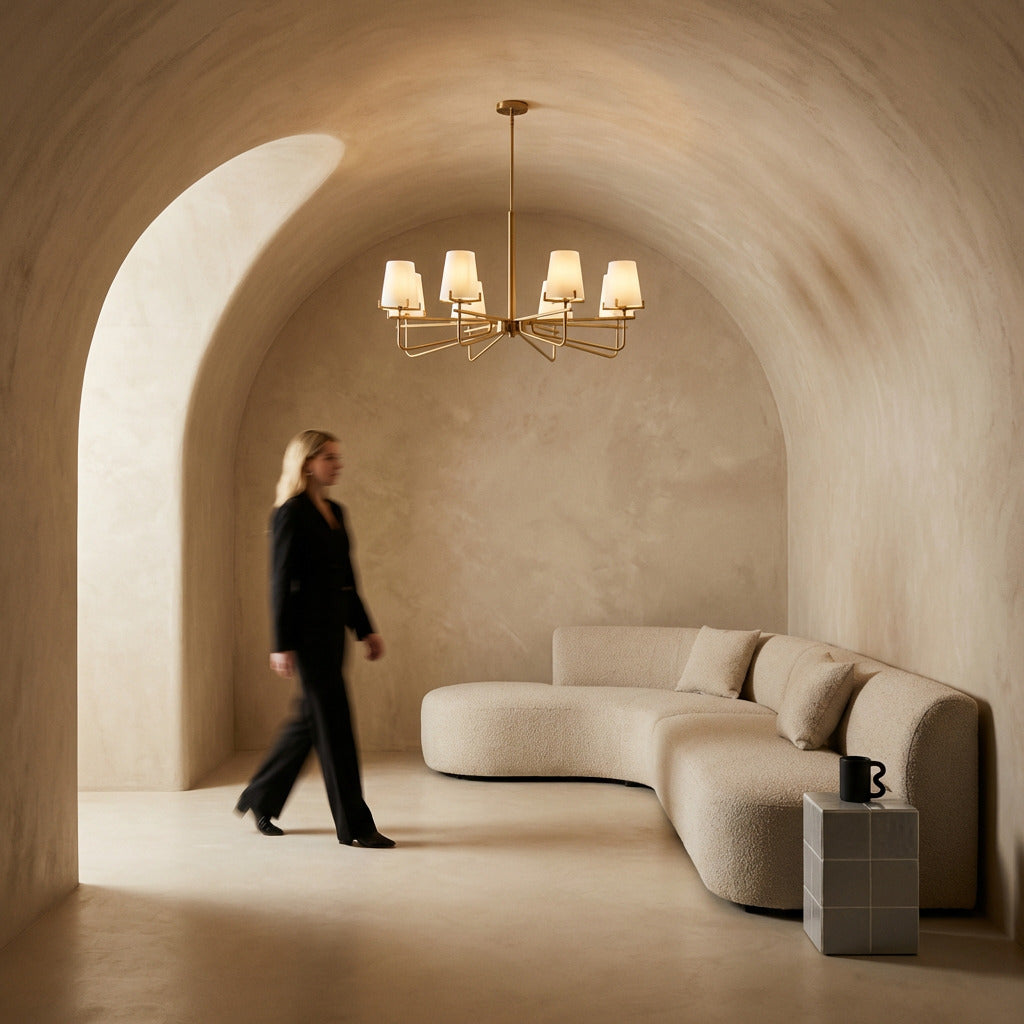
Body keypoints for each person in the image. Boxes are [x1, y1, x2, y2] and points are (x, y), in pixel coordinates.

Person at [235, 429, 395, 848]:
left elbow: (347, 580)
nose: (337, 463)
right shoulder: (289, 513)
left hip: (333, 635)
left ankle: (260, 796)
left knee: (312, 722)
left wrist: (366, 629)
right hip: (306, 639)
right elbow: (279, 582)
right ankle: (356, 826)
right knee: (335, 728)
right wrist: (280, 643)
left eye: (338, 457)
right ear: (307, 463)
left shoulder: (336, 512)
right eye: (329, 457)